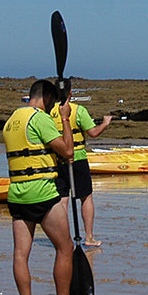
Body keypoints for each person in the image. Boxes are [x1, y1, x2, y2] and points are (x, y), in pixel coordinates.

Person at [3, 79, 90, 295]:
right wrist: (65, 118)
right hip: (42, 194)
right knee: (65, 248)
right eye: (53, 103)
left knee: (21, 255)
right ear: (49, 98)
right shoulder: (40, 118)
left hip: (17, 196)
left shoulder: (11, 121)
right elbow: (69, 151)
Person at [49, 87, 112, 246]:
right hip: (77, 158)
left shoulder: (49, 112)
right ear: (70, 93)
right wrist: (105, 124)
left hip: (57, 160)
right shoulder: (78, 110)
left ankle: (63, 238)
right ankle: (89, 237)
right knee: (86, 197)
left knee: (62, 200)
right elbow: (93, 132)